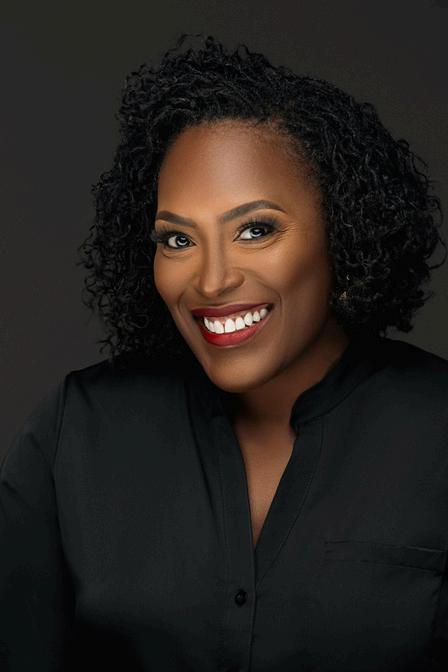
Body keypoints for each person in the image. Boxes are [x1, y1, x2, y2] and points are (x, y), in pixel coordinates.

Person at [1, 32, 447, 672]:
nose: (211, 281)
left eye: (255, 230)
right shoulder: (77, 431)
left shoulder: (436, 431)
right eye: (178, 240)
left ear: (345, 231)